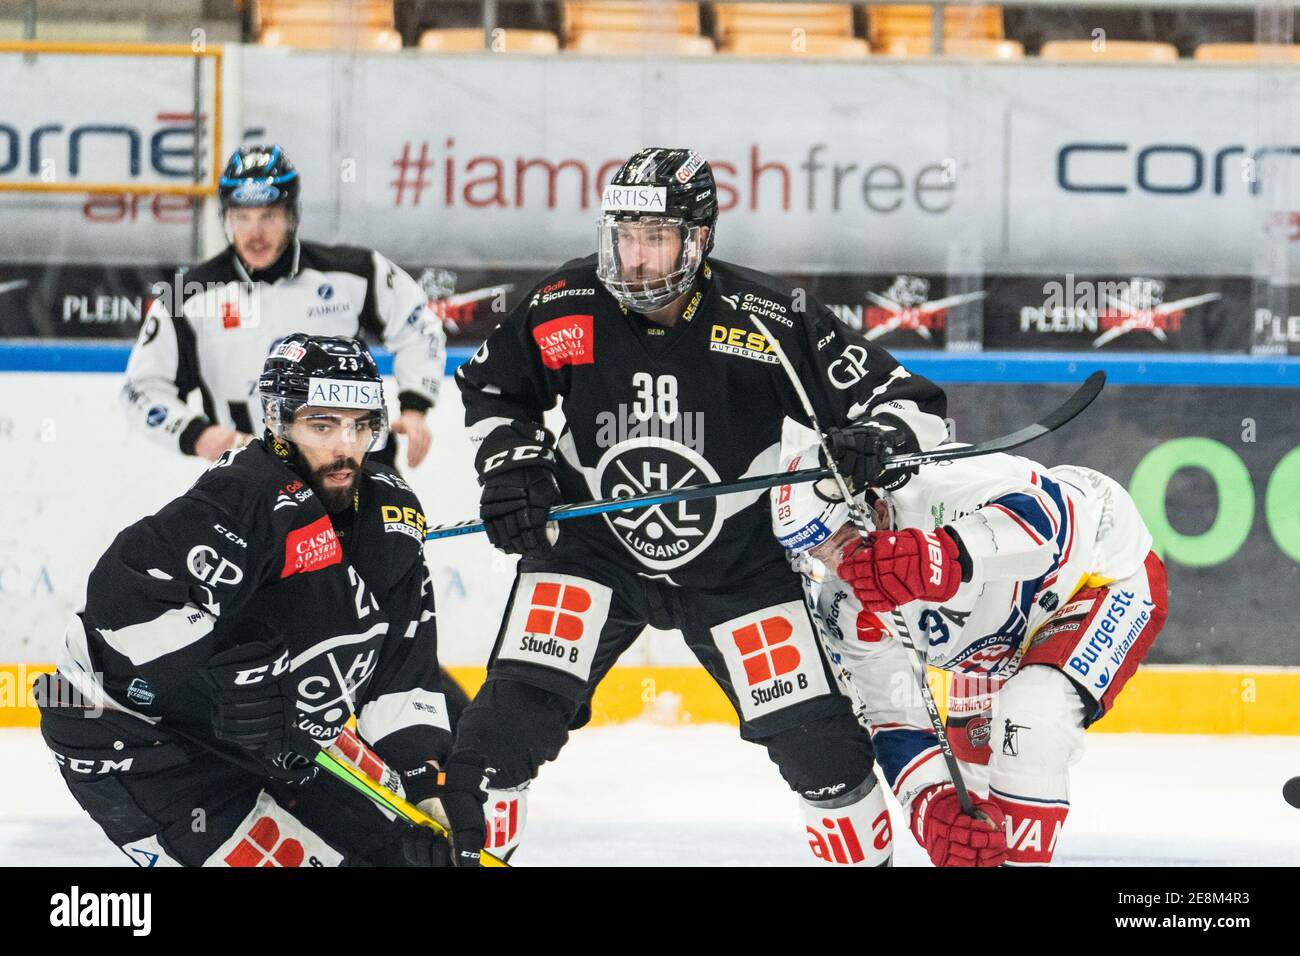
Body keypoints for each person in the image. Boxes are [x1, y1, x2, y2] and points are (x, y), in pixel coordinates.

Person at [444, 146, 950, 865]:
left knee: (826, 760)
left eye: (656, 237)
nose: (637, 258)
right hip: (592, 555)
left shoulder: (766, 316)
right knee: (494, 744)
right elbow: (494, 390)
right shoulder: (567, 303)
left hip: (737, 571)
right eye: (625, 235)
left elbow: (910, 401)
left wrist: (875, 437)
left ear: (699, 237)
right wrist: (513, 465)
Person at [36, 335, 486, 867]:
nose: (345, 448)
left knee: (406, 855)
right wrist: (221, 672)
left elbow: (400, 673)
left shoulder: (391, 515)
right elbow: (117, 607)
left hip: (285, 744)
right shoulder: (240, 499)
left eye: (360, 425)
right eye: (322, 426)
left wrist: (421, 782)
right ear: (277, 423)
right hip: (142, 747)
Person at [771, 440, 1168, 866]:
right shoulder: (843, 606)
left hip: (1093, 575)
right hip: (988, 643)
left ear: (872, 507)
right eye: (817, 554)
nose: (838, 567)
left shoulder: (934, 478)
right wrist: (930, 808)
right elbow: (896, 717)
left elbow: (1046, 520)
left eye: (841, 542)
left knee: (1031, 720)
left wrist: (939, 555)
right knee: (971, 815)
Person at [121, 144, 444, 471]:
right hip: (252, 482)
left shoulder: (356, 272)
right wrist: (197, 434)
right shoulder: (188, 297)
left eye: (268, 216)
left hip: (353, 470)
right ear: (226, 217)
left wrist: (416, 406)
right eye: (241, 217)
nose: (254, 233)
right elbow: (141, 388)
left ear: (292, 215)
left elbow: (418, 326)